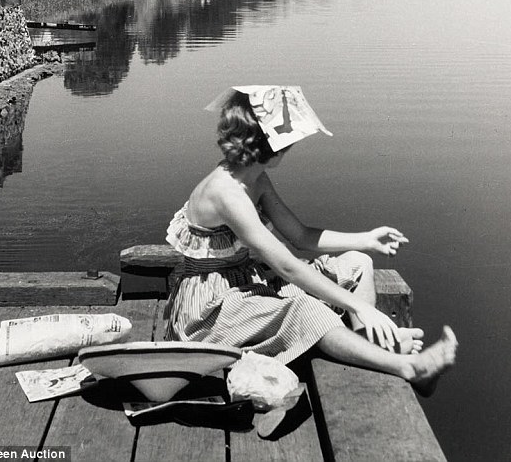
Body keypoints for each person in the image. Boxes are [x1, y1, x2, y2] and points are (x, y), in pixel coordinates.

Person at [164, 85, 457, 396]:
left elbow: (301, 236)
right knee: (304, 308)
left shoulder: (256, 179)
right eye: (288, 142)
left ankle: (366, 344)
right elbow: (287, 267)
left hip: (243, 281)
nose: (291, 147)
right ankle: (409, 367)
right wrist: (359, 305)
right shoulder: (226, 192)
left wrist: (367, 240)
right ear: (270, 143)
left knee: (358, 263)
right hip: (209, 310)